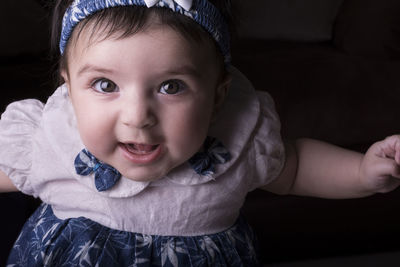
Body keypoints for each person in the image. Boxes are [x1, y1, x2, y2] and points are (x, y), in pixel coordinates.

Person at [1, 0, 400, 266]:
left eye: (171, 86)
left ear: (217, 96)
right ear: (69, 90)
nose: (138, 116)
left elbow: (294, 168)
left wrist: (362, 172)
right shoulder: (47, 137)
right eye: (106, 85)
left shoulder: (240, 138)